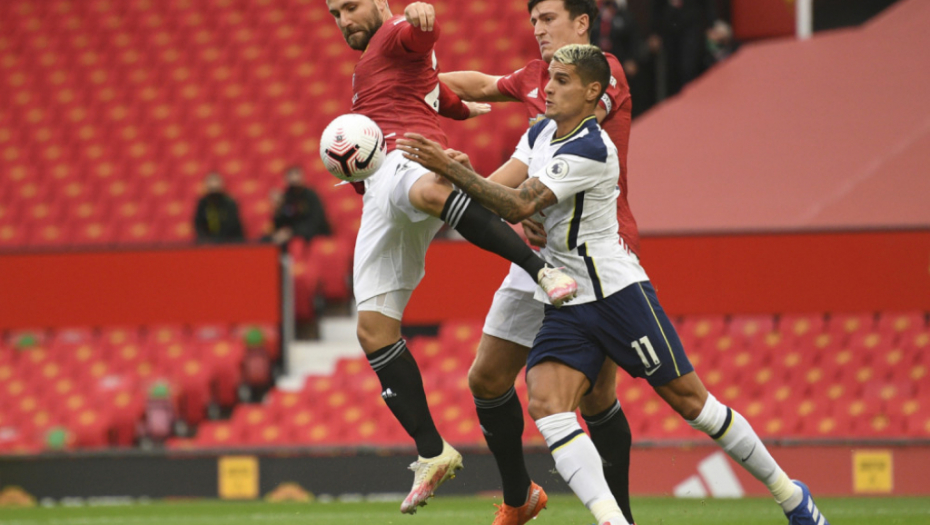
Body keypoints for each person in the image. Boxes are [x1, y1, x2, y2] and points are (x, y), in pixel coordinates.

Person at [399, 43, 832, 525]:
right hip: (565, 299)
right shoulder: (540, 133)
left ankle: (791, 496)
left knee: (695, 405)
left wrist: (452, 171)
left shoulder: (592, 146)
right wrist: (460, 177)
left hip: (616, 296)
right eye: (549, 77)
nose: (548, 87)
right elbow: (505, 192)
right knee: (547, 404)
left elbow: (518, 204)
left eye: (562, 80)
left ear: (592, 92)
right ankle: (612, 520)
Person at [324, 0, 578, 514]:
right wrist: (460, 109)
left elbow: (419, 34)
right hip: (378, 190)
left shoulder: (393, 33)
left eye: (351, 6)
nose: (344, 20)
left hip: (408, 156)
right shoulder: (374, 65)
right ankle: (432, 451)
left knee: (424, 190)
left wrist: (423, 17)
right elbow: (429, 89)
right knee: (372, 328)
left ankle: (541, 269)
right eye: (335, 14)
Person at [438, 1, 637, 522]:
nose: (538, 29)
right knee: (486, 378)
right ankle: (518, 497)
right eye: (533, 21)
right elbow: (481, 85)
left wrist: (525, 201)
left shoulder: (601, 74)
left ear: (582, 23)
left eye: (548, 18)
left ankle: (621, 517)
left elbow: (579, 137)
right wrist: (412, 82)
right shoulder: (536, 79)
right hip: (538, 255)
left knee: (596, 398)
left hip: (594, 254)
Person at [270, 166, 331, 247]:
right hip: (292, 235)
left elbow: (316, 221)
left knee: (297, 244)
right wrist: (278, 207)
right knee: (268, 240)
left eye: (296, 175)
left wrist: (292, 232)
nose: (294, 179)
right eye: (291, 176)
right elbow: (281, 222)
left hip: (313, 233)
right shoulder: (286, 197)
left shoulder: (311, 195)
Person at [193, 172, 244, 243]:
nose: (214, 195)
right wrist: (206, 239)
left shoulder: (229, 203)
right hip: (209, 241)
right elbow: (198, 223)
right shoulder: (203, 203)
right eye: (212, 189)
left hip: (229, 241)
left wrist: (221, 240)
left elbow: (233, 224)